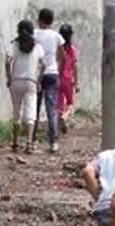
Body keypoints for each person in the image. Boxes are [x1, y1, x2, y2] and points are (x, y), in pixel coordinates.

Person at [5, 20, 45, 153]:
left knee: (16, 112)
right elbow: (43, 65)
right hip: (31, 82)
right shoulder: (37, 46)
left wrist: (9, 77)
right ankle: (29, 143)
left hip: (16, 81)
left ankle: (15, 143)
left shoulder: (14, 45)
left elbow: (7, 61)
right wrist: (39, 80)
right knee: (31, 113)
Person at [32, 8, 65, 153]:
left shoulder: (34, 34)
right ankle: (53, 142)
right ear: (51, 21)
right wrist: (57, 67)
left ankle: (31, 140)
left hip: (36, 74)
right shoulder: (56, 36)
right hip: (52, 73)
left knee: (35, 108)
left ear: (39, 20)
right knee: (51, 109)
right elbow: (63, 56)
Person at [57, 24, 80, 135]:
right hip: (68, 79)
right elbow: (75, 67)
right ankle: (64, 117)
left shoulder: (58, 49)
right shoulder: (72, 49)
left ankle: (59, 119)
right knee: (70, 104)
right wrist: (76, 82)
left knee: (59, 103)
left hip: (57, 78)